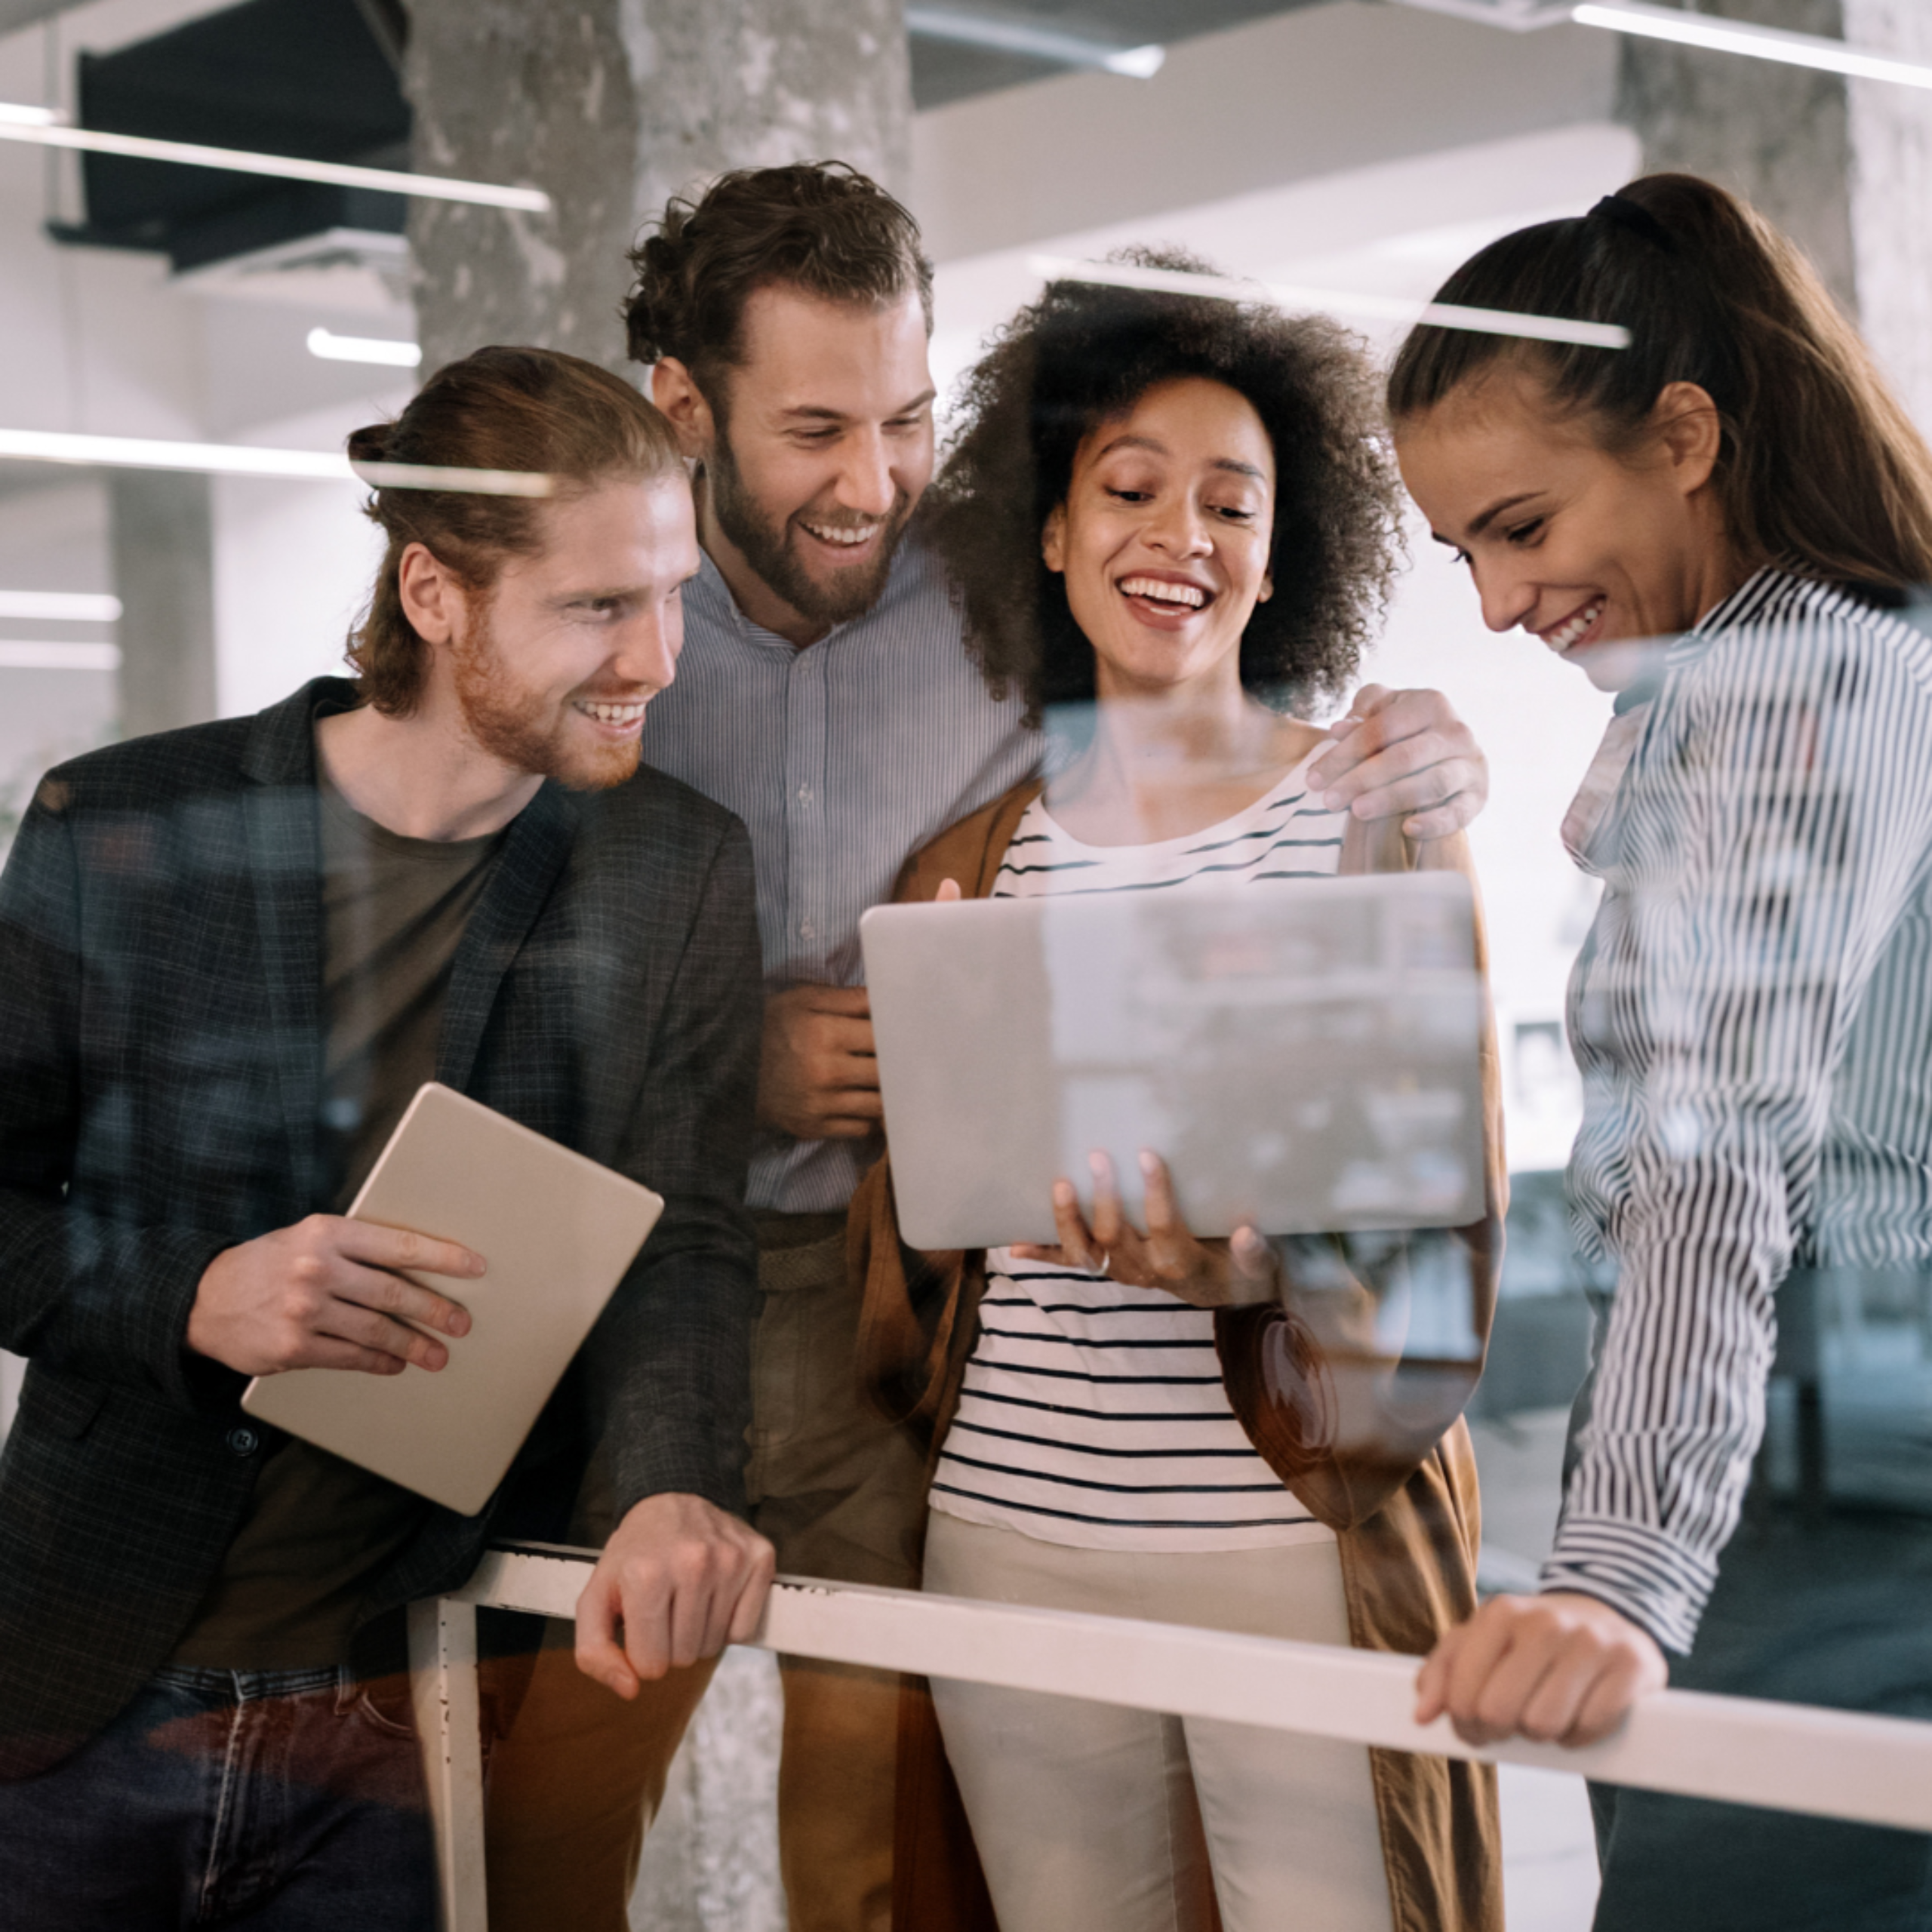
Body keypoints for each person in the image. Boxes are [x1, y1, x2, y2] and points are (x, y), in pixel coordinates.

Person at [484, 160, 1501, 1932]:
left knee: (883, 1855)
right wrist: (725, 1063)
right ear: (684, 406)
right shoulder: (609, 636)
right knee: (541, 1809)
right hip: (689, 1290)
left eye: (902, 418)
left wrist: (1433, 762)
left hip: (1000, 1376)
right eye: (813, 426)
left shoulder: (1031, 652)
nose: (870, 480)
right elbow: (464, 948)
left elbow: (1427, 1190)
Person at [0, 345, 774, 1927]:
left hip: (405, 1711)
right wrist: (193, 1295)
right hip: (78, 1682)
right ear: (434, 592)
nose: (661, 654)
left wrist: (667, 1482)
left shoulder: (676, 866)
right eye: (599, 606)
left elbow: (683, 1238)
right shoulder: (120, 821)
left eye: (674, 592)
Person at [851, 260, 1506, 1932]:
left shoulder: (1364, 815)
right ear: (1051, 533)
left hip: (1284, 1537)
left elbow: (1436, 1207)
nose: (1182, 536)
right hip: (1009, 1528)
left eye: (1233, 500)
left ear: (1280, 553)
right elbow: (928, 1249)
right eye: (1127, 489)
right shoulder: (966, 866)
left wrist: (1264, 1267)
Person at [1389, 174, 1932, 1929]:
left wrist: (1614, 1577)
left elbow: (1714, 1156)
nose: (1490, 602)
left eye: (1520, 522)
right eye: (1457, 547)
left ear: (1683, 434)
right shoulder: (1848, 664)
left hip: (1832, 1517)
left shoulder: (1787, 694)